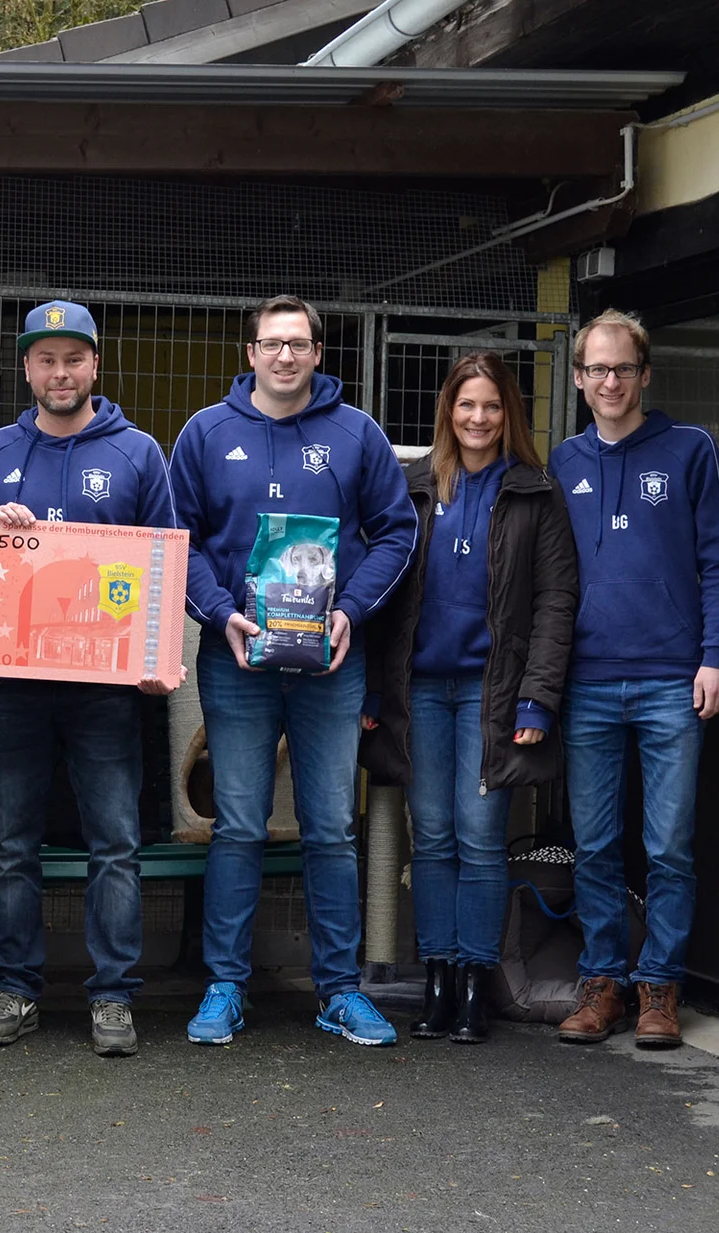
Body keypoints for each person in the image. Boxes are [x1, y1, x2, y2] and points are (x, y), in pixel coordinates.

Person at [168, 294, 417, 1048]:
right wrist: (220, 615)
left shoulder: (355, 434)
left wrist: (351, 612)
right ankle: (225, 986)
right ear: (250, 354)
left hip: (332, 662)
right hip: (237, 657)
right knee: (239, 826)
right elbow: (178, 538)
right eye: (271, 344)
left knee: (331, 830)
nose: (285, 356)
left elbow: (396, 531)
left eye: (299, 344)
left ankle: (339, 991)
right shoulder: (206, 434)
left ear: (317, 353)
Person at [0, 300, 183, 1058]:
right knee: (11, 841)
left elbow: (162, 564)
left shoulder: (139, 453)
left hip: (105, 689)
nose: (60, 373)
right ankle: (15, 988)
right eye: (45, 359)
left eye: (73, 359)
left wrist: (154, 658)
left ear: (95, 363)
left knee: (115, 841)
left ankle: (114, 995)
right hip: (17, 684)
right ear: (26, 367)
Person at [359, 351, 578, 1043]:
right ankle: (438, 982)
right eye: (466, 405)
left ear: (507, 412)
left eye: (491, 406)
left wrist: (537, 702)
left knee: (480, 841)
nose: (478, 418)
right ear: (447, 412)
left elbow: (556, 603)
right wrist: (369, 689)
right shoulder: (413, 489)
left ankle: (479, 983)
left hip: (495, 695)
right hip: (418, 690)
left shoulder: (534, 493)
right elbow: (380, 594)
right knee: (433, 840)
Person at [549, 308, 719, 1050]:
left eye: (622, 368)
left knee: (668, 845)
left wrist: (716, 657)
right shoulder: (563, 462)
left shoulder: (689, 450)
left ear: (644, 373)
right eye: (595, 368)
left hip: (672, 679)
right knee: (594, 844)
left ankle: (660, 988)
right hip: (588, 680)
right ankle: (603, 984)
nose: (609, 381)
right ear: (577, 378)